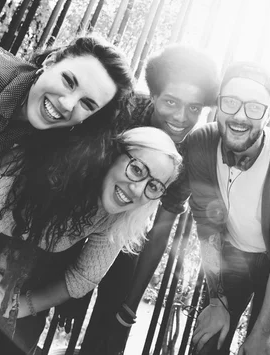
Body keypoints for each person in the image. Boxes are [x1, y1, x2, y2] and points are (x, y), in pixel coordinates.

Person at [0, 126, 182, 355]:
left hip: (11, 257)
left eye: (154, 187)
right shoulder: (58, 169)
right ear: (115, 154)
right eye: (136, 169)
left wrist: (21, 306)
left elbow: (84, 277)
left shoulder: (119, 217)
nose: (138, 190)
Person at [79, 44, 220, 354]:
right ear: (154, 95)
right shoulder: (122, 109)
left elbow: (161, 228)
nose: (182, 117)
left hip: (127, 226)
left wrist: (130, 303)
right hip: (77, 206)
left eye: (195, 108)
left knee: (113, 315)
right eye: (171, 101)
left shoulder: (187, 152)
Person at [187, 62, 270, 355]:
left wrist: (262, 332)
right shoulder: (201, 143)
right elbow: (207, 227)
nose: (240, 116)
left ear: (269, 113)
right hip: (233, 256)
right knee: (207, 343)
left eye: (255, 107)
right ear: (218, 104)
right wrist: (216, 301)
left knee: (262, 347)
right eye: (230, 102)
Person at [0, 34, 133, 210]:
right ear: (50, 62)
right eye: (68, 81)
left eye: (87, 104)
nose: (67, 104)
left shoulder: (45, 134)